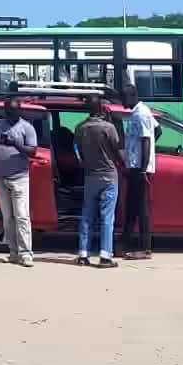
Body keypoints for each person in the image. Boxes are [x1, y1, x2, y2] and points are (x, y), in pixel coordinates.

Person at [0, 97, 38, 267]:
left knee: (22, 216)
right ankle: (13, 252)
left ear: (19, 111)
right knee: (7, 218)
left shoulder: (27, 127)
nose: (10, 115)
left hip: (19, 177)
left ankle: (26, 253)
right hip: (0, 178)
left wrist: (16, 144)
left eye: (13, 112)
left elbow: (33, 151)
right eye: (8, 112)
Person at [74, 94, 125, 268]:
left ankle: (83, 254)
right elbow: (117, 150)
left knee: (87, 216)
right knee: (107, 217)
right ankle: (105, 256)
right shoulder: (108, 128)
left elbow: (78, 152)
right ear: (101, 109)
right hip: (109, 176)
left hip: (90, 176)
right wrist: (124, 165)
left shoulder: (80, 128)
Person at [120, 84, 156, 260]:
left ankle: (145, 248)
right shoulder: (138, 113)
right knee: (132, 207)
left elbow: (146, 141)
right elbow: (157, 130)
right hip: (135, 167)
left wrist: (143, 168)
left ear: (132, 96)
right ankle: (124, 243)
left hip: (139, 169)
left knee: (141, 208)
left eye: (123, 98)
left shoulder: (141, 114)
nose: (122, 102)